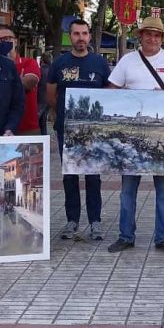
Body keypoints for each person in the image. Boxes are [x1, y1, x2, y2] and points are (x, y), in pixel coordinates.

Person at [106, 17, 164, 255]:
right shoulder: (127, 61)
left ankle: (163, 237)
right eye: (147, 34)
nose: (152, 38)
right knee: (127, 191)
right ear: (140, 36)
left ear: (162, 38)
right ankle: (125, 236)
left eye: (156, 35)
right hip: (131, 134)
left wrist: (163, 98)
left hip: (163, 134)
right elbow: (110, 93)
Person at [47, 19, 110, 241]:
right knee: (70, 177)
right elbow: (51, 95)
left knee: (93, 177)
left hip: (93, 130)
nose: (80, 38)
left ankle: (95, 222)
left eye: (84, 33)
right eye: (76, 34)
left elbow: (108, 94)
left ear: (89, 36)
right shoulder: (59, 63)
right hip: (66, 129)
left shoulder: (100, 63)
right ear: (70, 36)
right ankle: (71, 220)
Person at [0, 26, 41, 135]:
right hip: (0, 129)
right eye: (0, 40)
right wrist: (18, 81)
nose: (4, 42)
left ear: (15, 41)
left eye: (7, 38)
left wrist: (1, 83)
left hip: (27, 128)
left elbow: (29, 82)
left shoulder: (29, 63)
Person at [38, 51, 53, 135]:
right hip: (49, 99)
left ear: (42, 60)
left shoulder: (40, 71)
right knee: (43, 121)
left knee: (38, 120)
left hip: (40, 99)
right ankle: (44, 137)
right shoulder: (52, 71)